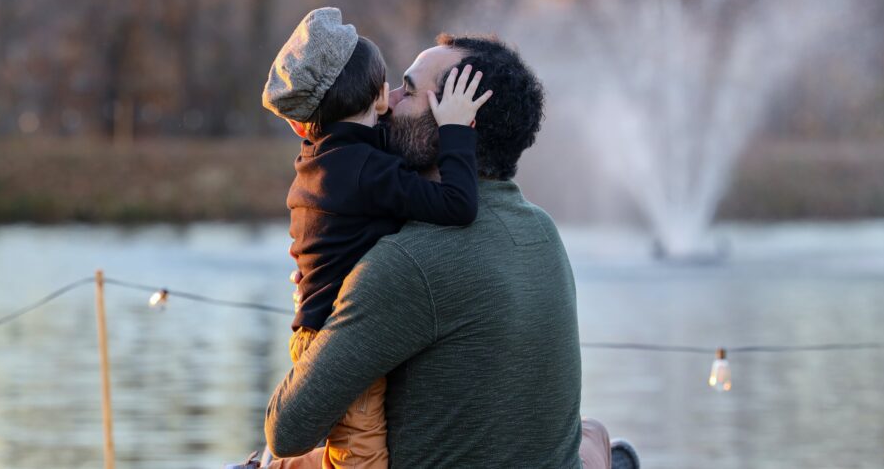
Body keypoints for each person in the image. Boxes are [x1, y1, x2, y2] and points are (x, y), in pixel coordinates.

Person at [262, 34, 621, 468]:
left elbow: (287, 430)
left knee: (266, 460)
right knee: (592, 432)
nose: (388, 101)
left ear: (456, 125)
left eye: (408, 90)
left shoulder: (407, 263)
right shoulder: (541, 229)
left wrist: (316, 299)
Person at [257, 8, 493, 469]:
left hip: (320, 327)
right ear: (379, 94)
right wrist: (454, 132)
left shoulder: (330, 156)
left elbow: (377, 145)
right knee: (361, 460)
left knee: (355, 447)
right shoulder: (365, 171)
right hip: (340, 337)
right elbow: (457, 205)